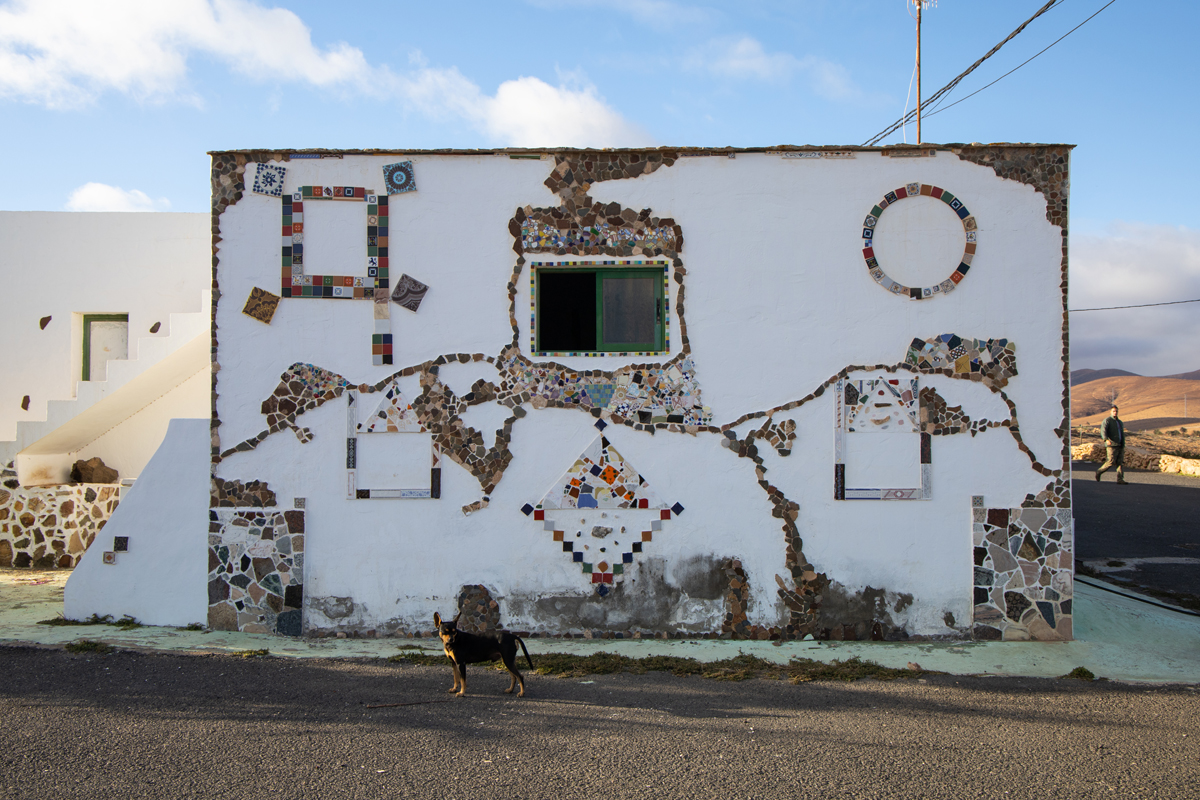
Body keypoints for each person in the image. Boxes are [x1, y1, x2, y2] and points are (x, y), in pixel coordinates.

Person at [1096, 405, 1128, 484]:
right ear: (1110, 412)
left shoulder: (1119, 422)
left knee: (1119, 462)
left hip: (1120, 444)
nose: (1115, 413)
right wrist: (1106, 439)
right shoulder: (1107, 420)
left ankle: (1120, 479)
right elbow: (1103, 430)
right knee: (1110, 462)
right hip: (1111, 444)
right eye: (1113, 411)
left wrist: (1123, 443)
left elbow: (1121, 433)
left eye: (1116, 411)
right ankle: (1099, 471)